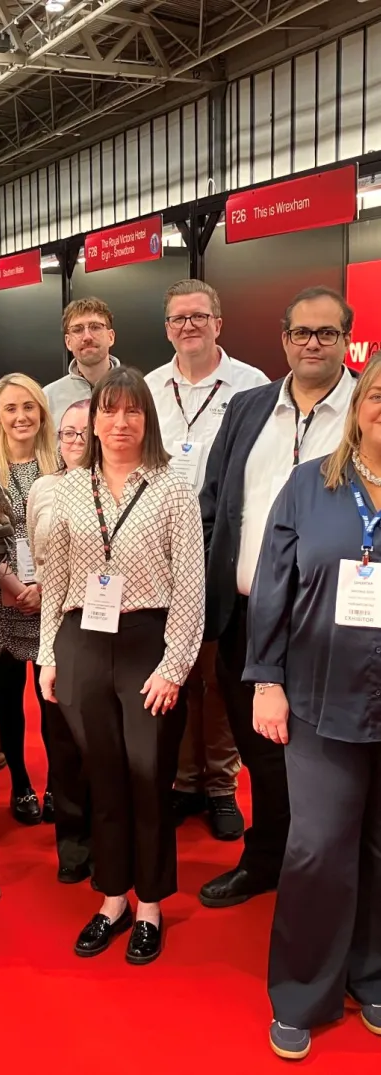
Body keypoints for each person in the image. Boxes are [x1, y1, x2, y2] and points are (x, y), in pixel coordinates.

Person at [38, 366, 204, 964]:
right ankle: (112, 898)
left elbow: (190, 585)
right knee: (103, 776)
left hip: (147, 642)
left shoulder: (171, 487)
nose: (120, 422)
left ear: (147, 419)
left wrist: (174, 666)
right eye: (109, 410)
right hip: (82, 638)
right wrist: (48, 653)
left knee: (148, 776)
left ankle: (151, 904)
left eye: (133, 410)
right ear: (93, 422)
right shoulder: (68, 489)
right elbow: (55, 577)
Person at [199, 285, 357, 910]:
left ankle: (330, 875)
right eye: (301, 333)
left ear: (347, 340)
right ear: (284, 339)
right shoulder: (249, 407)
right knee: (260, 753)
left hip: (331, 622)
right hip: (246, 615)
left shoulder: (366, 412)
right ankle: (267, 859)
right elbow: (215, 502)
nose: (312, 344)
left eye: (326, 333)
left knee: (330, 760)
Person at [244, 354, 381, 1060]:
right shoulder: (308, 486)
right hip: (320, 696)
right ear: (359, 404)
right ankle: (302, 991)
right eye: (380, 395)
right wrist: (265, 679)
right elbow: (271, 589)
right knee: (318, 846)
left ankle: (373, 974)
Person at [146, 280, 269, 841]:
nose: (188, 326)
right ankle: (184, 781)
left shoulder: (252, 386)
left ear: (218, 323)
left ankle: (220, 786)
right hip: (160, 547)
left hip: (221, 547)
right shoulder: (150, 387)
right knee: (172, 669)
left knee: (217, 676)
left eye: (199, 316)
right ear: (167, 328)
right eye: (178, 318)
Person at [0, 374, 58, 825]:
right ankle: (21, 783)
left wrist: (43, 589)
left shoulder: (64, 462)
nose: (20, 416)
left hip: (53, 597)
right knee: (6, 699)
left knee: (54, 700)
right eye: (10, 408)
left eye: (28, 406)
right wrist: (15, 588)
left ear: (41, 411)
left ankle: (57, 783)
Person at [27, 400, 92, 882]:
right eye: (67, 433)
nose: (74, 442)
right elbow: (38, 554)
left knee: (106, 743)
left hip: (111, 627)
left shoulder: (125, 487)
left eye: (84, 433)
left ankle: (109, 838)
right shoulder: (43, 488)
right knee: (63, 738)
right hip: (59, 624)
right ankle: (73, 843)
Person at [44, 297, 120, 430]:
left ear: (111, 337)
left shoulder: (140, 390)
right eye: (77, 330)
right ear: (68, 342)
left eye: (95, 327)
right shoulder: (48, 398)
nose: (87, 337)